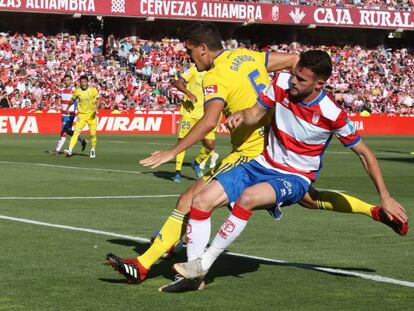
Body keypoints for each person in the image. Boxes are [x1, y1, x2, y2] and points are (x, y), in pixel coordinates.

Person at [106, 23, 407, 292]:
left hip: (256, 152)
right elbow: (287, 68)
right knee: (307, 200)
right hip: (267, 153)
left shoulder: (217, 77)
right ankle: (374, 212)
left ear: (202, 48)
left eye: (189, 53)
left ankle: (158, 265)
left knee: (193, 199)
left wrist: (173, 151)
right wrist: (252, 112)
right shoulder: (251, 58)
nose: (190, 59)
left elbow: (210, 121)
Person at [172, 50, 409, 285]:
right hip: (261, 163)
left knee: (248, 198)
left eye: (301, 79)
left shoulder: (332, 114)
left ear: (319, 84)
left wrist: (385, 196)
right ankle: (194, 275)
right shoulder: (281, 82)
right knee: (201, 200)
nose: (293, 81)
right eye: (294, 74)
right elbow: (256, 113)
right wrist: (243, 115)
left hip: (295, 177)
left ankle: (204, 264)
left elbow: (365, 154)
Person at [171, 65, 219, 183]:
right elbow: (177, 83)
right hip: (190, 113)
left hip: (206, 114)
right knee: (182, 142)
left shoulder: (217, 73)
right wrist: (188, 93)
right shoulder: (194, 69)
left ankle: (196, 163)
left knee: (210, 144)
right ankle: (178, 172)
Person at [64, 75, 100, 158]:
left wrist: (96, 108)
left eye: (84, 82)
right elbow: (72, 100)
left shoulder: (93, 90)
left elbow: (98, 100)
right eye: (82, 82)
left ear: (87, 82)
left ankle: (93, 149)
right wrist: (68, 108)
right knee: (76, 132)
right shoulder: (77, 91)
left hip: (91, 115)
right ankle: (70, 150)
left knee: (93, 134)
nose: (83, 84)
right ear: (80, 83)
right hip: (81, 115)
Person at [51, 74, 87, 155]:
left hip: (70, 114)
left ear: (71, 81)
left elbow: (81, 98)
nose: (66, 81)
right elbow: (60, 100)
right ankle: (82, 140)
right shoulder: (62, 90)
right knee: (68, 131)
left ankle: (57, 150)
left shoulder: (75, 90)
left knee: (63, 131)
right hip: (63, 114)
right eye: (65, 80)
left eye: (68, 80)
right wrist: (57, 106)